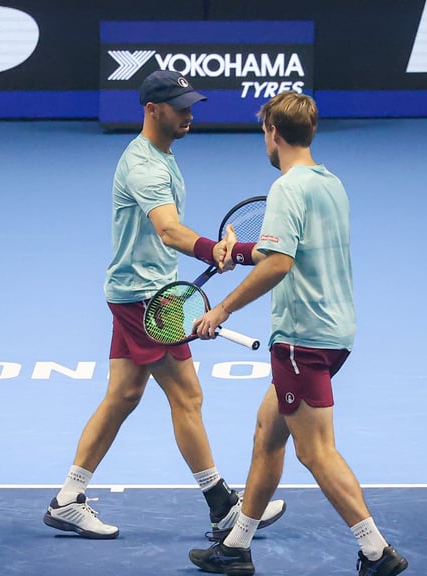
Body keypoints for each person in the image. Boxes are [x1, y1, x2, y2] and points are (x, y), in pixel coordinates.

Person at [43, 70, 286, 540]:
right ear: (152, 110)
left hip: (140, 289)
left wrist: (214, 251)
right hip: (145, 298)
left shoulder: (161, 155)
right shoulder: (146, 168)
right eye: (180, 107)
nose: (189, 114)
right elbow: (169, 230)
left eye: (191, 105)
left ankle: (68, 499)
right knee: (187, 396)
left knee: (123, 395)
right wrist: (215, 250)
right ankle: (222, 508)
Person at [186, 92, 408, 576]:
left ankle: (377, 552)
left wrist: (221, 309)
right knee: (268, 433)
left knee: (315, 450)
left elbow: (279, 264)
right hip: (335, 331)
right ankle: (237, 546)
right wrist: (234, 251)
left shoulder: (286, 189)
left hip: (300, 340)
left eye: (264, 133)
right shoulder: (330, 184)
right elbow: (281, 250)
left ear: (273, 133)